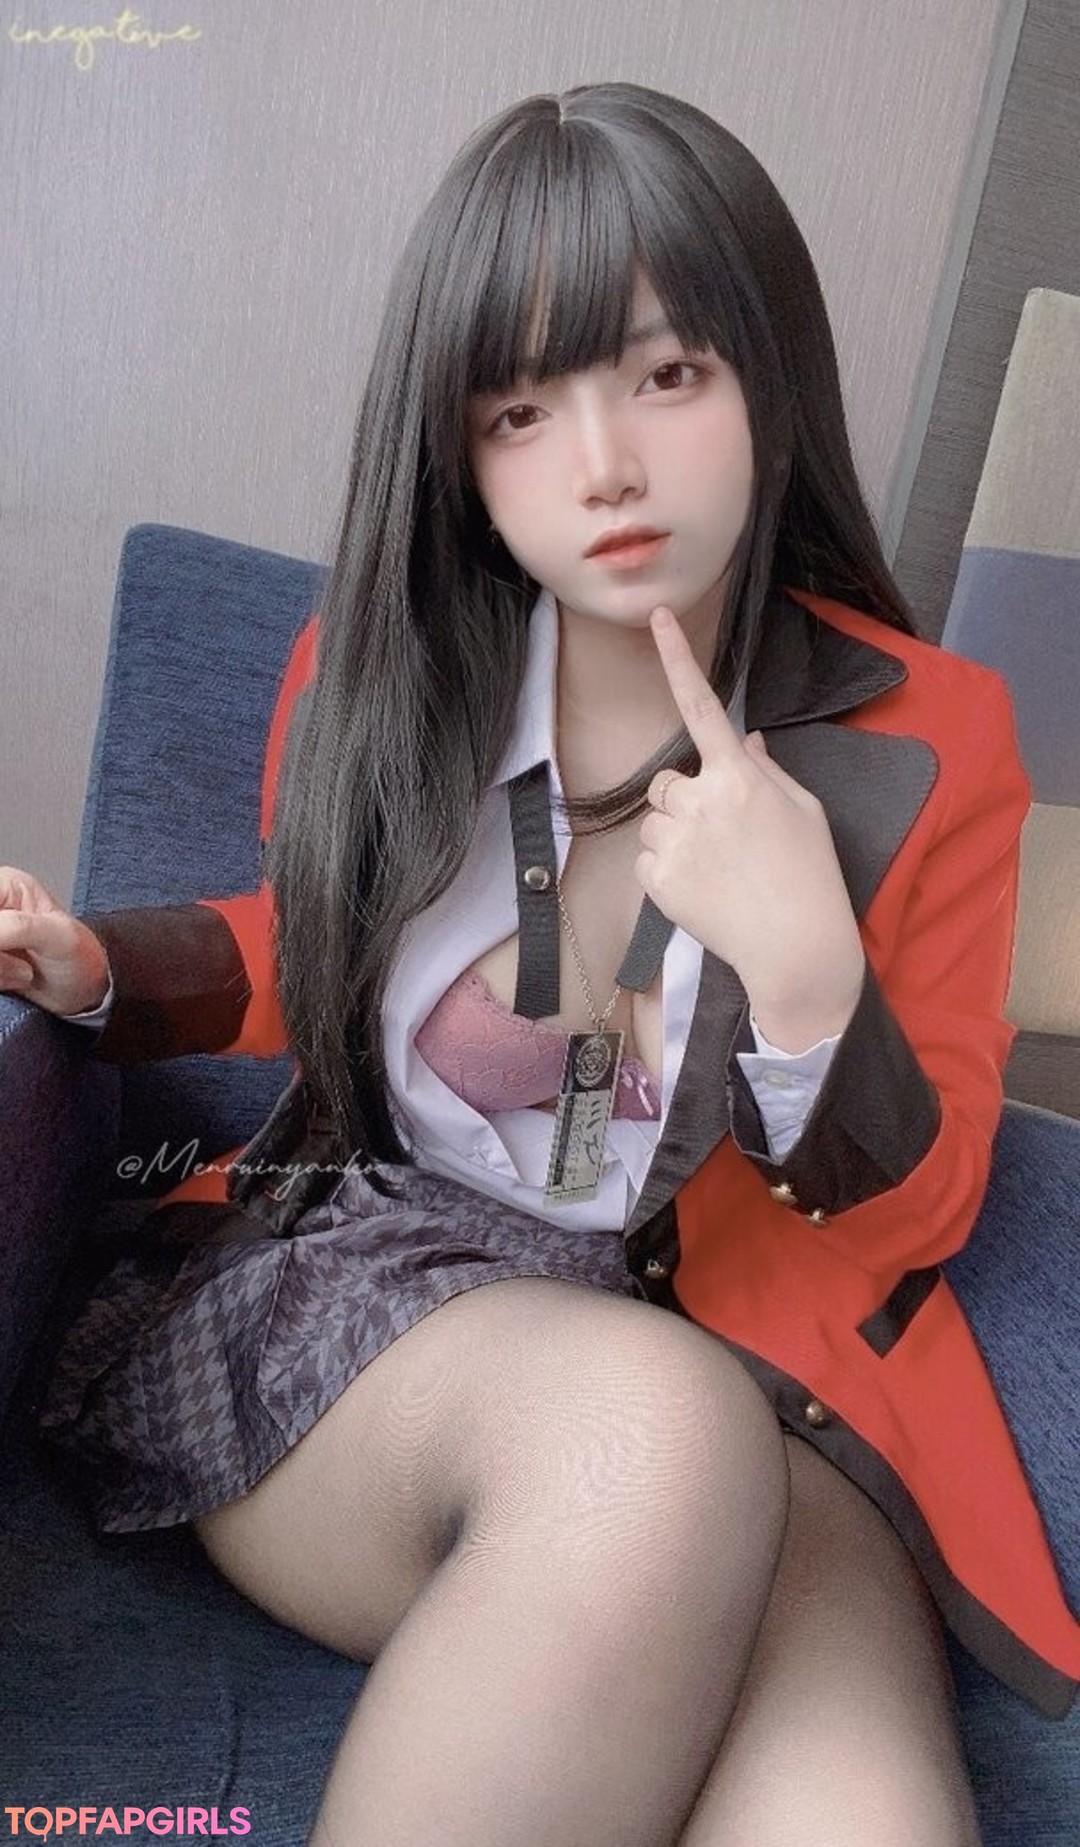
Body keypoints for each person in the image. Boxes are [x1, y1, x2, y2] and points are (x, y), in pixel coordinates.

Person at [0, 80, 1077, 1847]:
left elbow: (920, 1213)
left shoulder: (929, 744)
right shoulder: (379, 666)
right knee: (646, 1436)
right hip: (371, 1285)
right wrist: (100, 967)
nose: (604, 466)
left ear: (768, 381)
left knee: (861, 1816)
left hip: (762, 1363)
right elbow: (312, 946)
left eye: (667, 374)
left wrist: (809, 979)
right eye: (521, 407)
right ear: (460, 453)